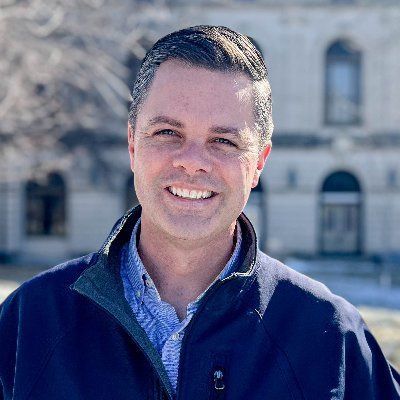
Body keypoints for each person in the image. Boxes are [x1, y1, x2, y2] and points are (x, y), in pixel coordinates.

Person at [0, 25, 399, 400]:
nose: (192, 162)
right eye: (167, 133)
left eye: (223, 140)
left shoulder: (331, 337)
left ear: (259, 162)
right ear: (133, 145)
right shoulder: (28, 324)